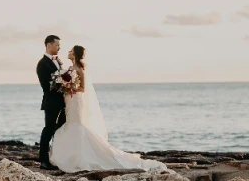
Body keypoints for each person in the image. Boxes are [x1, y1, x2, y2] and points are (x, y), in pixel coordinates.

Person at [49, 45, 171, 173]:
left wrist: (69, 86)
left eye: (71, 51)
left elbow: (83, 88)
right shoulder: (70, 68)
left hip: (76, 100)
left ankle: (81, 156)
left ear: (75, 54)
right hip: (69, 100)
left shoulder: (79, 69)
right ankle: (71, 153)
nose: (68, 52)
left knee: (76, 125)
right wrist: (64, 85)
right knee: (71, 123)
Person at [36, 34, 66, 170]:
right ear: (49, 45)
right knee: (48, 130)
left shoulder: (58, 61)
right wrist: (63, 84)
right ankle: (43, 160)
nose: (59, 47)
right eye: (57, 45)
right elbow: (46, 86)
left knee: (60, 130)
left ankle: (58, 157)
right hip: (51, 102)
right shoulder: (42, 64)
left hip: (63, 102)